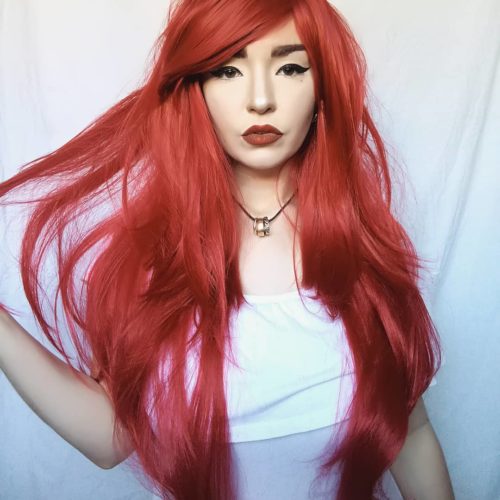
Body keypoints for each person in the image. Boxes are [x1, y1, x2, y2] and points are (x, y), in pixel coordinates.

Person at [0, 0, 455, 498]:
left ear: (324, 87)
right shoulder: (159, 264)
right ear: (194, 89)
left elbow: (411, 433)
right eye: (227, 70)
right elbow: (111, 438)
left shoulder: (363, 259)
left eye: (290, 68)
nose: (260, 99)